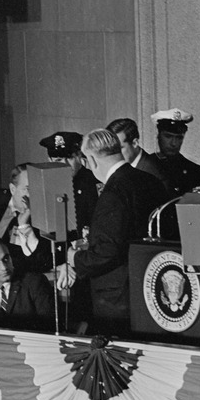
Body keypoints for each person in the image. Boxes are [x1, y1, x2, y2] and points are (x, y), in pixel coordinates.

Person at [58, 129, 169, 332]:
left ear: (91, 160)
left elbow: (107, 252)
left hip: (117, 300)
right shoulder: (150, 181)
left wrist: (74, 257)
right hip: (153, 288)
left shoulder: (112, 193)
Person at [0, 163, 53, 274]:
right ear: (13, 189)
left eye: (38, 189)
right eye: (28, 189)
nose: (35, 195)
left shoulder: (43, 216)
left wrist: (24, 225)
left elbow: (41, 261)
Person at [39, 130, 98, 234]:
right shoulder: (46, 185)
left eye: (70, 157)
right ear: (50, 160)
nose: (65, 164)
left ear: (79, 155)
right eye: (59, 160)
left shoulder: (93, 182)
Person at [149, 108, 200, 196]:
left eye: (179, 138)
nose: (173, 143)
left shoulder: (196, 172)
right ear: (158, 136)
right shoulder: (145, 166)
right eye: (168, 136)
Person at [108, 117, 170, 192]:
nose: (114, 154)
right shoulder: (122, 167)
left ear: (135, 143)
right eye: (111, 149)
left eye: (119, 148)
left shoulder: (152, 172)